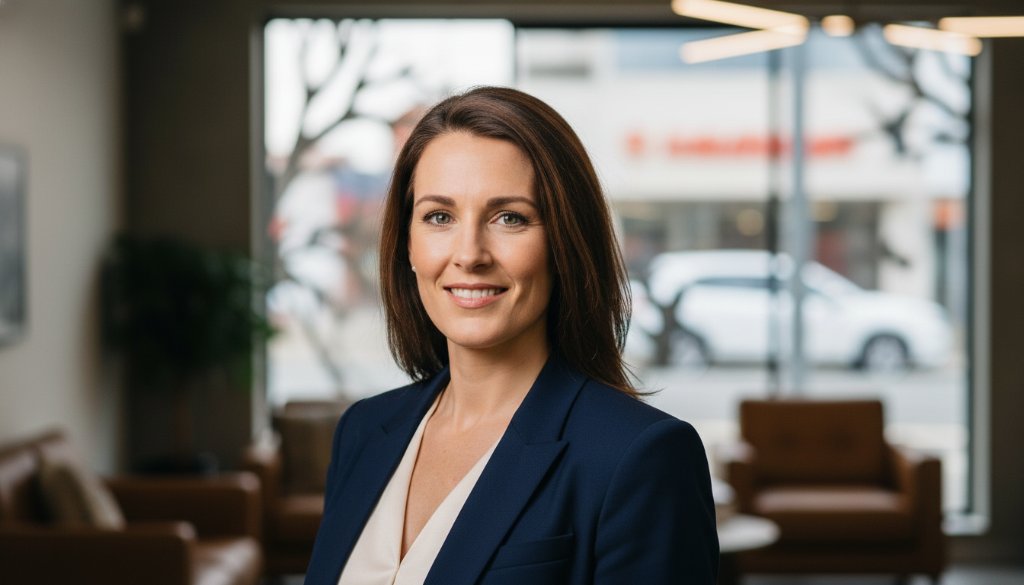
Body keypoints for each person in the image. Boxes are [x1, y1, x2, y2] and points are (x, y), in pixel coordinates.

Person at [304, 86, 719, 585]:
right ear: (406, 245)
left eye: (510, 218)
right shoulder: (364, 431)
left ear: (565, 241)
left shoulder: (641, 456)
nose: (470, 254)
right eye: (440, 216)